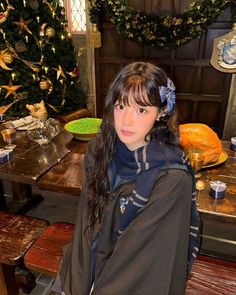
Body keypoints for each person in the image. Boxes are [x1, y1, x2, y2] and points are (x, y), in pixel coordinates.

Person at [51, 62, 200, 295]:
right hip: (94, 257)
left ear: (161, 112)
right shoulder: (99, 151)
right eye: (121, 106)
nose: (126, 121)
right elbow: (86, 223)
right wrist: (78, 283)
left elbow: (144, 260)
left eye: (141, 110)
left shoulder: (171, 178)